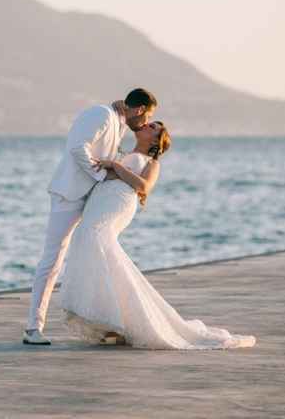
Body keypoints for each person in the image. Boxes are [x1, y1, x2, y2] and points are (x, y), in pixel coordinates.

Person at [59, 121, 257, 349]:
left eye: (152, 127)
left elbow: (143, 186)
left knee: (96, 239)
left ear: (155, 140)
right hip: (101, 199)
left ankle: (117, 319)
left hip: (119, 201)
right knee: (89, 241)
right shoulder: (123, 152)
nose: (146, 125)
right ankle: (110, 320)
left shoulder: (151, 163)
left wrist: (115, 166)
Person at [23, 88, 157, 345]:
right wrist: (102, 175)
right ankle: (33, 328)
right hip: (70, 195)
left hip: (95, 199)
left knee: (101, 256)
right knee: (53, 259)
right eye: (148, 116)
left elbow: (112, 157)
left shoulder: (119, 124)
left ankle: (109, 322)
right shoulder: (101, 114)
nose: (147, 122)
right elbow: (77, 148)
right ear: (140, 110)